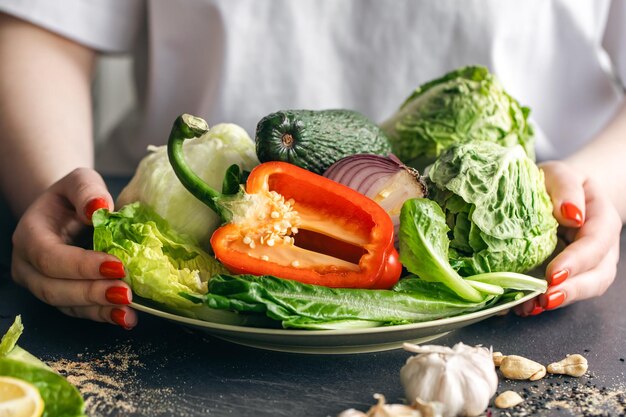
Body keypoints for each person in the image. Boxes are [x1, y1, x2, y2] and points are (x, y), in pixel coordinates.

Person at [0, 0, 623, 329]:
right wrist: (57, 185)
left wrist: (598, 187)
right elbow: (42, 27)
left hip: (521, 287)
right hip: (176, 305)